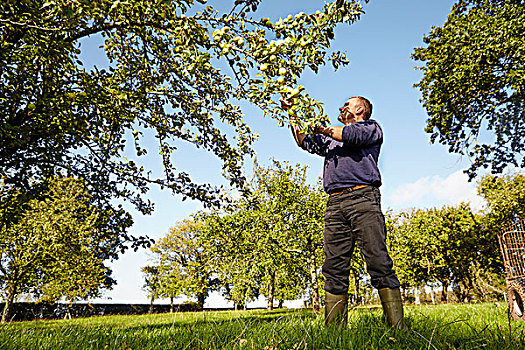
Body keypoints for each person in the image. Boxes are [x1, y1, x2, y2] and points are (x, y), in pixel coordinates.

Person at [280, 95, 407, 330]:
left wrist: (319, 127)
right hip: (335, 204)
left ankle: (398, 328)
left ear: (360, 109)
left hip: (363, 200)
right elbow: (303, 140)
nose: (341, 107)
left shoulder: (370, 128)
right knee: (334, 266)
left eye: (346, 105)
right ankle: (334, 333)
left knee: (378, 261)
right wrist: (292, 113)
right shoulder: (331, 140)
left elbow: (350, 135)